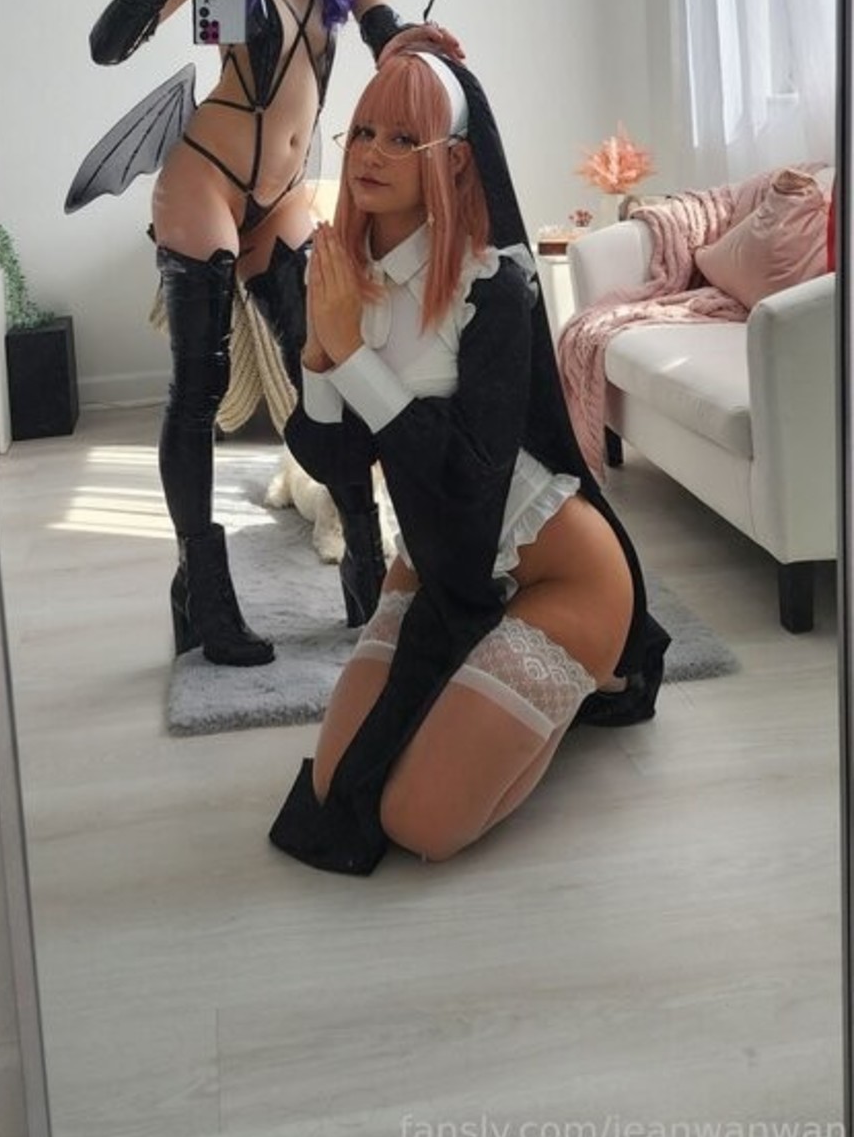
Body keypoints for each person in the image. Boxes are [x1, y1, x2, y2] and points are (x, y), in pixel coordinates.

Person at [66, 0, 462, 669]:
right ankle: (202, 587)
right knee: (197, 389)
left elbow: (381, 35)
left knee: (331, 372)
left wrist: (419, 42)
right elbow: (106, 45)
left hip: (283, 192)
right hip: (205, 176)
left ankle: (367, 563)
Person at [268, 50, 670, 875]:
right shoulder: (340, 276)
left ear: (453, 160)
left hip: (560, 575)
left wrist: (352, 356)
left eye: (402, 137)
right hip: (438, 563)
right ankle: (489, 691)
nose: (371, 152)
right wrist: (317, 354)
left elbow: (468, 475)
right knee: (338, 784)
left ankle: (560, 694)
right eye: (363, 131)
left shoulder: (493, 290)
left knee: (418, 821)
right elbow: (337, 459)